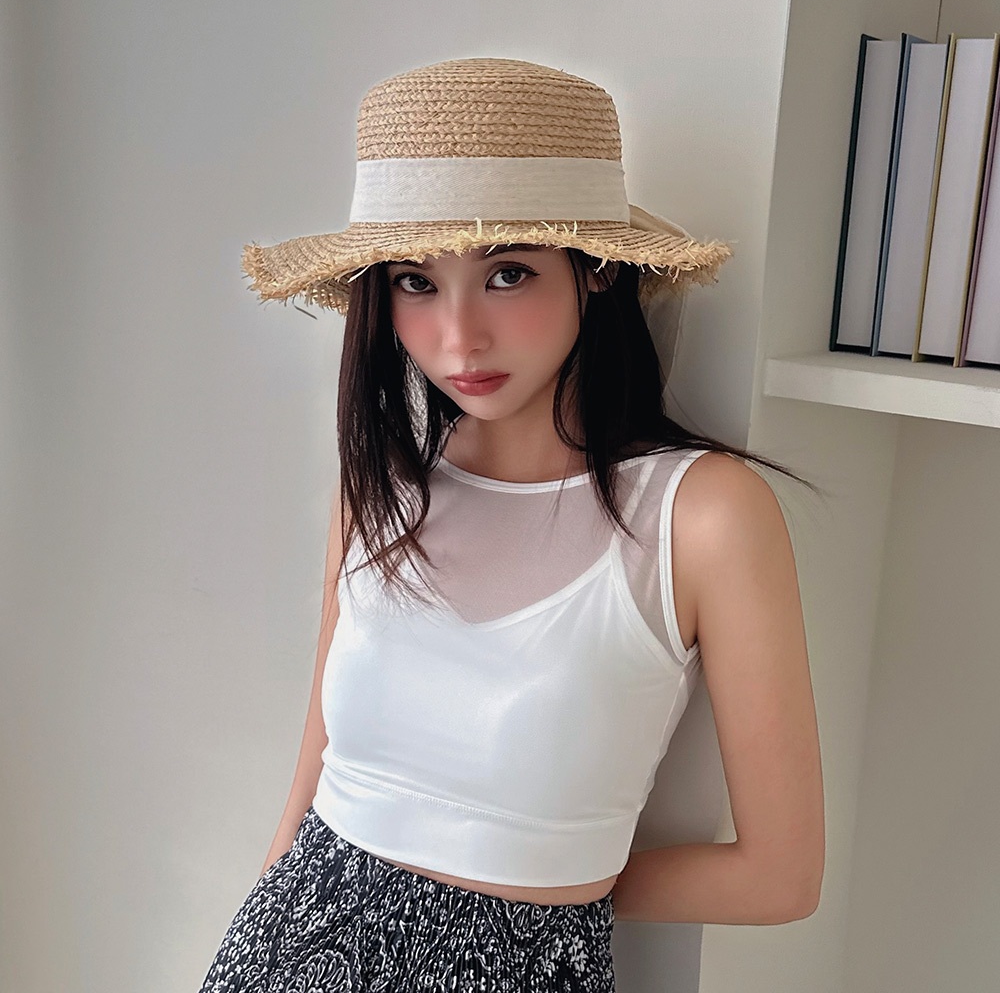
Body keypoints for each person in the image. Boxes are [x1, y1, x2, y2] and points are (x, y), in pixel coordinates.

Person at [198, 56, 825, 992]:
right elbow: (310, 787)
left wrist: (538, 894)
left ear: (597, 272)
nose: (459, 337)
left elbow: (781, 878)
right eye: (415, 282)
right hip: (283, 953)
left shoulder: (704, 516)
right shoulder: (375, 493)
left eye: (507, 273)